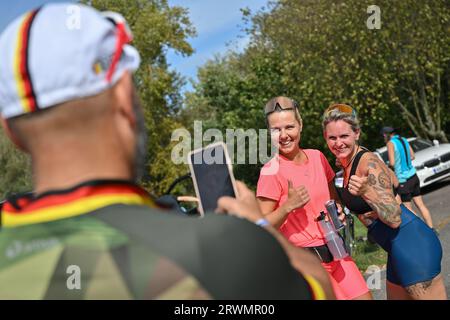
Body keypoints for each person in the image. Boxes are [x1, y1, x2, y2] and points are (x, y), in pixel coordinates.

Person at [0, 3, 334, 299]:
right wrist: (256, 228)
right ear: (123, 98)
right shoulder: (217, 251)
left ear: (10, 130)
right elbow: (317, 284)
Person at [322, 103, 446, 300]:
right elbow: (394, 180)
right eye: (332, 138)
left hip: (412, 246)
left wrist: (368, 192)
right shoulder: (346, 163)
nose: (338, 143)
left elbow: (395, 218)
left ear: (357, 134)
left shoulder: (367, 162)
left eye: (344, 136)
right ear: (325, 139)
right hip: (396, 250)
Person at [256, 96, 371, 300]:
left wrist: (338, 210)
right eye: (276, 130)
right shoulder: (270, 171)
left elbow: (332, 196)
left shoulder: (317, 156)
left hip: (336, 250)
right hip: (308, 264)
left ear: (300, 126)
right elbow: (260, 227)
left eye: (289, 127)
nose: (283, 135)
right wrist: (287, 207)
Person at [381, 126, 436, 232]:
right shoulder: (403, 139)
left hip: (403, 180)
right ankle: (431, 228)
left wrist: (388, 167)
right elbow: (412, 156)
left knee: (409, 209)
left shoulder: (390, 144)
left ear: (386, 135)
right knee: (421, 205)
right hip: (413, 176)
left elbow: (392, 163)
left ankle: (424, 231)